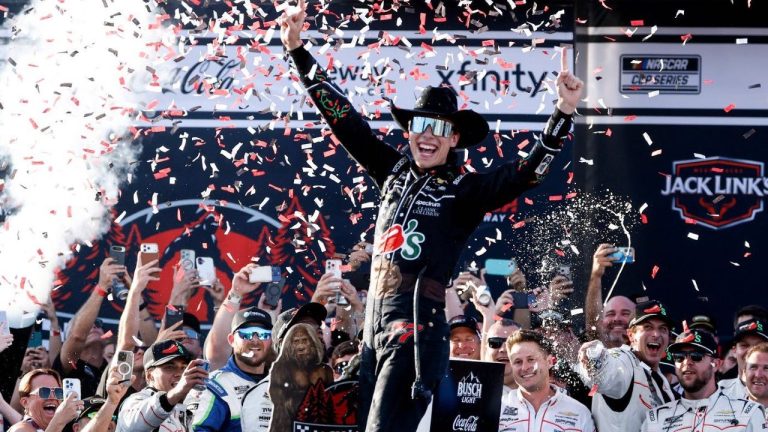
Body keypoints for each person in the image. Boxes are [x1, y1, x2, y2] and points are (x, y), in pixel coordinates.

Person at [279, 2, 583, 430]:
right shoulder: (393, 169)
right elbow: (344, 121)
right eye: (421, 124)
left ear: (455, 137)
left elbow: (524, 174)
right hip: (372, 331)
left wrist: (563, 114)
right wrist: (297, 50)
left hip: (416, 334)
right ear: (409, 130)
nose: (427, 135)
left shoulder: (466, 189)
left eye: (440, 128)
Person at [578, 300, 676, 432]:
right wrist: (596, 358)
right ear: (631, 335)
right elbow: (607, 373)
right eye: (648, 327)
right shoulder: (625, 360)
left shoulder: (660, 379)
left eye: (662, 329)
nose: (656, 334)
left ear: (669, 338)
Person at [641, 328, 765, 432]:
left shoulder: (748, 413)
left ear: (716, 364)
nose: (687, 362)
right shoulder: (656, 419)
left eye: (696, 356)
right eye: (679, 357)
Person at [187, 307, 274, 431]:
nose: (255, 340)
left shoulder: (282, 384)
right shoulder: (213, 386)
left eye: (263, 334)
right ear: (231, 340)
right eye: (247, 334)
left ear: (271, 341)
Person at [499, 330, 595, 432]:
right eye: (518, 362)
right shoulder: (498, 408)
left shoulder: (579, 412)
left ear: (549, 362)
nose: (525, 367)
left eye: (531, 359)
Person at [116, 339, 208, 431]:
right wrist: (177, 392)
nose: (180, 374)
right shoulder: (136, 400)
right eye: (170, 367)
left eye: (184, 367)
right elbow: (134, 425)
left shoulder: (188, 406)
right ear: (149, 375)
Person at [585, 244, 635, 347]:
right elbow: (593, 325)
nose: (617, 318)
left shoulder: (649, 356)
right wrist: (596, 276)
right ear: (601, 321)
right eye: (610, 314)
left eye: (625, 313)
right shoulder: (597, 353)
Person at [10, 368, 84, 432]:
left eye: (57, 392)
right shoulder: (20, 429)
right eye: (44, 391)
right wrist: (59, 421)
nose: (52, 397)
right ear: (25, 402)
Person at [721, 318, 768, 400]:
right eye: (744, 345)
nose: (751, 351)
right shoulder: (718, 392)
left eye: (759, 346)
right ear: (734, 350)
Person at [483, 319, 522, 397]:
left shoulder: (538, 392)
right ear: (486, 347)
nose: (503, 349)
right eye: (495, 342)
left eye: (511, 344)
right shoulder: (472, 393)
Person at [744, 342, 768, 410]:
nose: (758, 375)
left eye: (766, 368)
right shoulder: (726, 410)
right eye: (753, 367)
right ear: (744, 373)